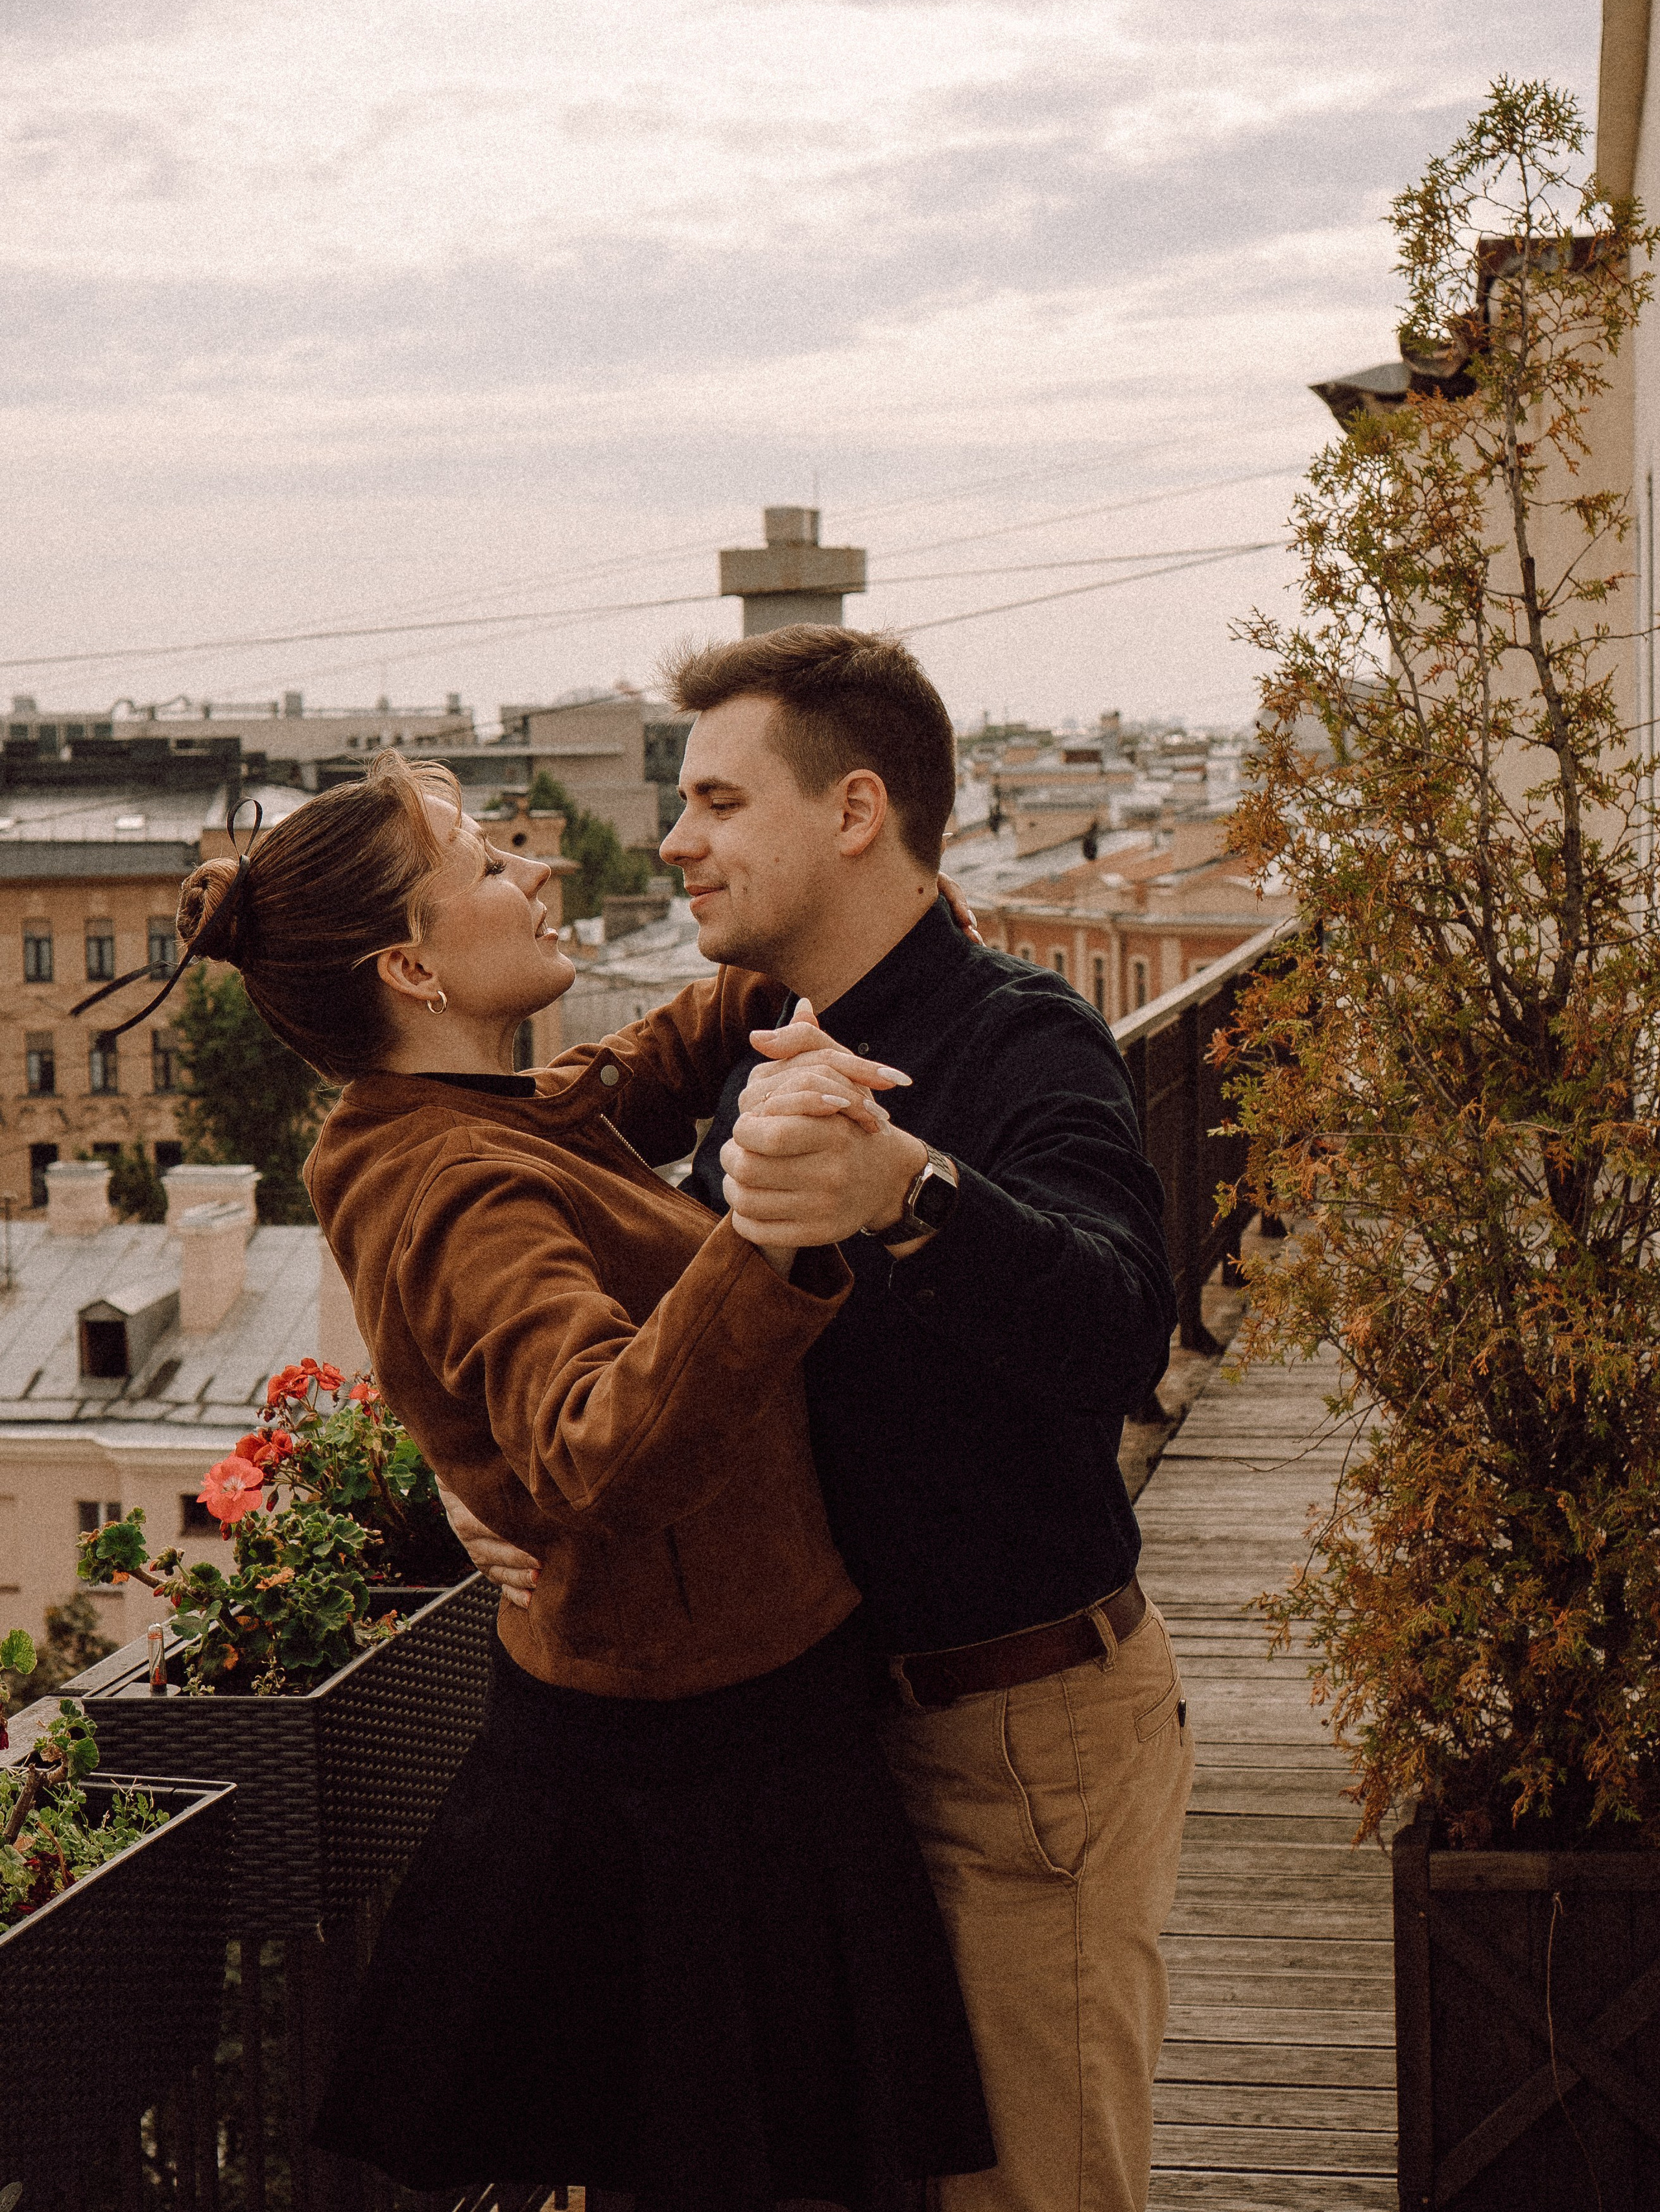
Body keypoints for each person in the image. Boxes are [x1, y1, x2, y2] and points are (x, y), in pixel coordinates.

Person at [160, 756, 993, 2212]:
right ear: (414, 965)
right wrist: (771, 1218)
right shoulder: (461, 1184)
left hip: (689, 1743)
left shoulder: (462, 1113)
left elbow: (624, 1078)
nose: (538, 874)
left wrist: (772, 987)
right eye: (490, 864)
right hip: (697, 1788)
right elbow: (594, 1442)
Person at [453, 628, 1193, 2212]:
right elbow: (683, 1358)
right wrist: (490, 1485)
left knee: (1030, 2191)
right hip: (820, 1746)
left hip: (1013, 1745)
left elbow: (1125, 1324)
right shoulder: (760, 1034)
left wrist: (906, 1188)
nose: (671, 839)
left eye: (717, 800)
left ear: (854, 811)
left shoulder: (1018, 1034)